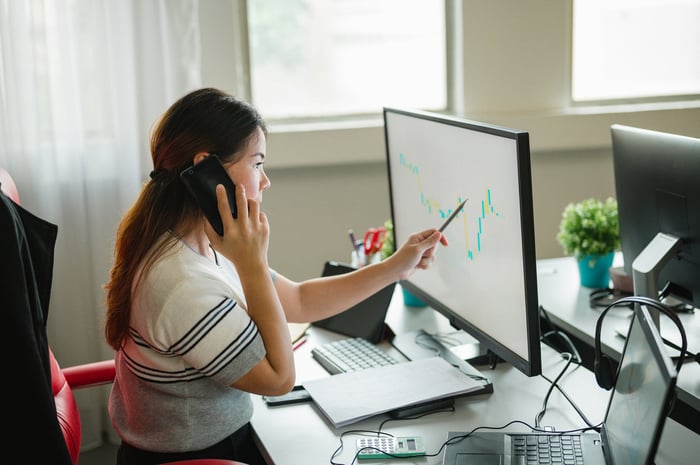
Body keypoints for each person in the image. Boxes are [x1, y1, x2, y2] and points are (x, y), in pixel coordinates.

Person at [104, 87, 448, 465]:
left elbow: (299, 300)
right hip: (202, 457)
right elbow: (280, 379)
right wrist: (252, 264)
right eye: (256, 163)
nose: (265, 180)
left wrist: (396, 266)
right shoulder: (182, 285)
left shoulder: (202, 242)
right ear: (206, 169)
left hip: (222, 442)